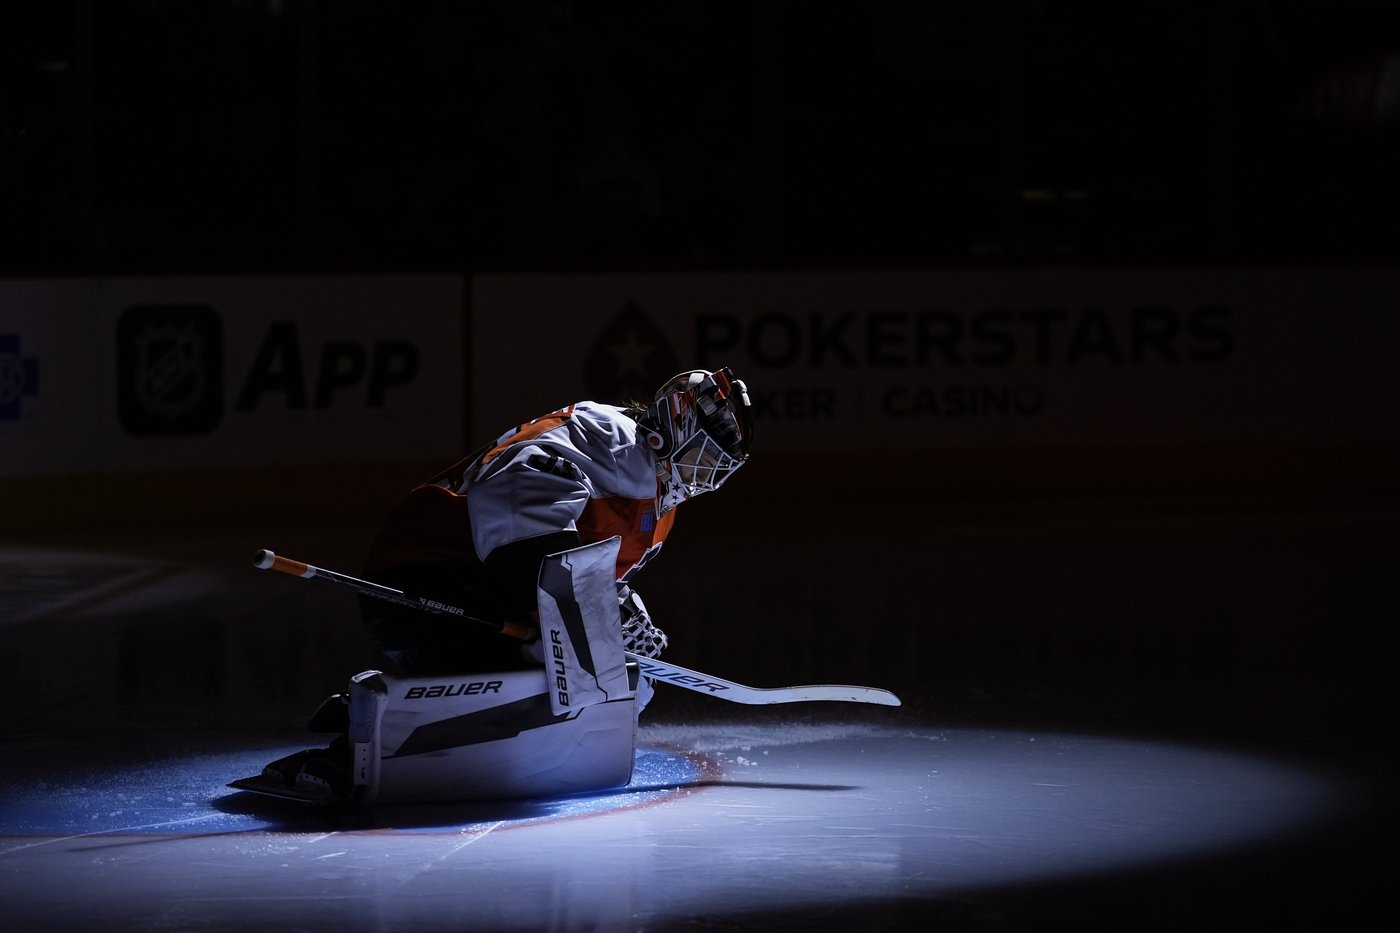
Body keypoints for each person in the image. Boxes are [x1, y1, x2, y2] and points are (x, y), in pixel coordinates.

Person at [358, 366, 755, 692]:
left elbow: (571, 577)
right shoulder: (605, 435)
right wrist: (593, 623)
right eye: (700, 456)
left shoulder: (658, 512)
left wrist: (619, 620)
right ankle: (357, 739)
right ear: (673, 423)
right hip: (423, 577)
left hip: (484, 587)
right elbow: (519, 534)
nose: (705, 474)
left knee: (623, 686)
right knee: (571, 674)